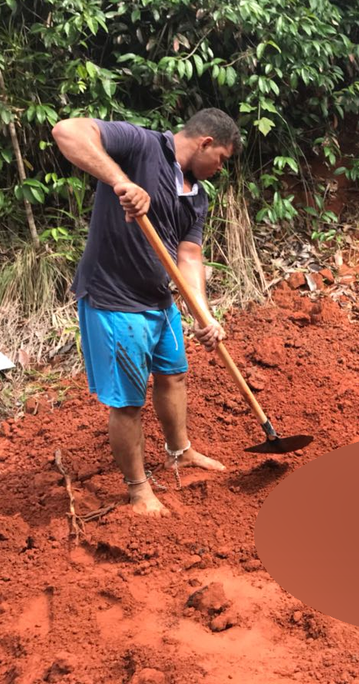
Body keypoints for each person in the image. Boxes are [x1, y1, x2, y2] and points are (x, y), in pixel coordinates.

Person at [52, 109, 241, 517]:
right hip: (116, 301)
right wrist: (121, 181)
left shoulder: (197, 195)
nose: (220, 168)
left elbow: (189, 256)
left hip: (159, 301)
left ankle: (180, 452)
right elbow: (66, 130)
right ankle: (138, 488)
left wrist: (203, 316)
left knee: (174, 376)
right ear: (206, 142)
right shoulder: (142, 146)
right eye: (222, 158)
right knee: (128, 402)